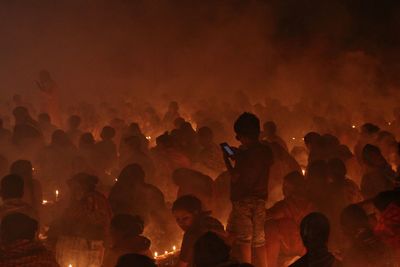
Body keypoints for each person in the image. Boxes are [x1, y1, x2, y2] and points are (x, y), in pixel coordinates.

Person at [223, 112, 273, 267]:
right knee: (259, 240)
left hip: (243, 200)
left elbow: (237, 178)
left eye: (238, 137)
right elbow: (256, 163)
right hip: (260, 200)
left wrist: (227, 159)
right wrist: (239, 154)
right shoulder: (265, 151)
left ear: (244, 136)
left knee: (244, 239)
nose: (238, 140)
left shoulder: (246, 155)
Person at [49, 173, 112, 267]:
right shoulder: (80, 199)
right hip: (85, 243)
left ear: (83, 186)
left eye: (75, 187)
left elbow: (85, 222)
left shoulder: (92, 200)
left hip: (91, 243)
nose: (72, 190)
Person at [265, 172, 315, 267]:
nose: (283, 190)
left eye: (286, 187)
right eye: (283, 187)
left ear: (295, 188)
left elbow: (269, 215)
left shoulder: (288, 204)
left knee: (269, 226)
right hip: (306, 248)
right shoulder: (310, 203)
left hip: (295, 246)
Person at [173, 195, 224, 267]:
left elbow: (181, 264)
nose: (181, 223)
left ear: (195, 213)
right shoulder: (213, 222)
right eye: (177, 219)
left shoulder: (191, 234)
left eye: (185, 218)